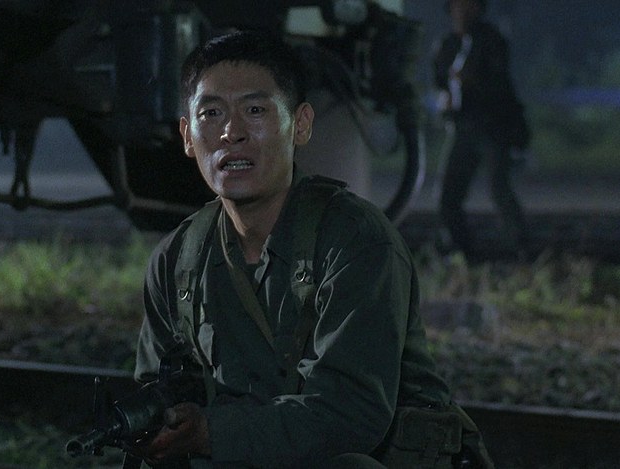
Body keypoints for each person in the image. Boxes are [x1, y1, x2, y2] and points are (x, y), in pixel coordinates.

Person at [133, 30, 490, 468]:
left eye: (255, 110)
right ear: (188, 136)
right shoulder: (178, 259)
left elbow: (351, 414)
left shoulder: (354, 240)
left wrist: (210, 433)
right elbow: (158, 384)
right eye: (211, 113)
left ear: (300, 125)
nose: (231, 132)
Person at [432, 0, 530, 256]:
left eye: (470, 5)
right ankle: (462, 250)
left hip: (492, 128)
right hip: (462, 127)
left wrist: (473, 81)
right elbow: (440, 81)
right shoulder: (447, 44)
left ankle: (517, 246)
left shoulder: (491, 40)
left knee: (499, 188)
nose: (464, 11)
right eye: (459, 6)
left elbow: (499, 84)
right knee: (448, 193)